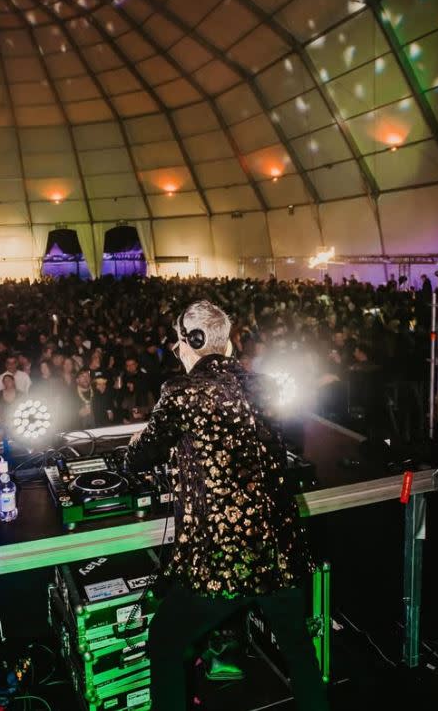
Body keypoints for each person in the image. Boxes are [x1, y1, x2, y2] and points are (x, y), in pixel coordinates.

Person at [126, 300, 328, 711]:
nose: (178, 350)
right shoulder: (265, 385)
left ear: (193, 341)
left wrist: (136, 445)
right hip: (279, 552)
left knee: (164, 641)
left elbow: (139, 458)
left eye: (179, 341)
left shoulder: (182, 391)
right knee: (299, 649)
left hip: (222, 558)